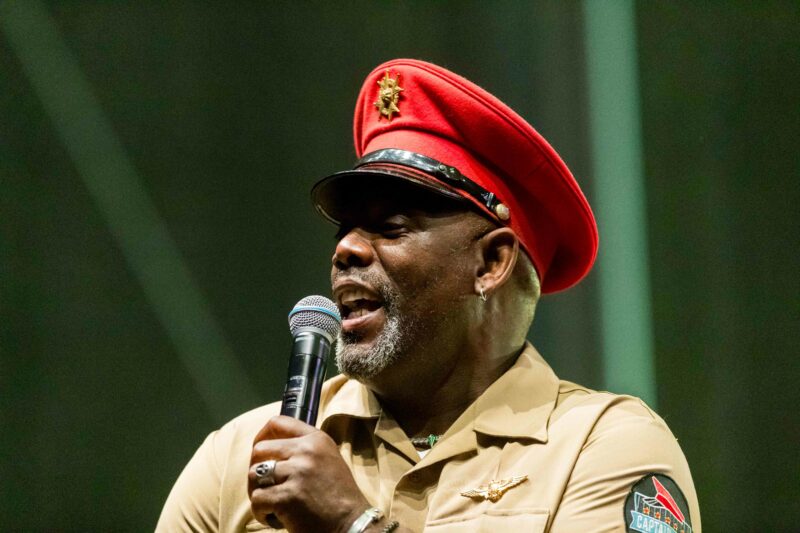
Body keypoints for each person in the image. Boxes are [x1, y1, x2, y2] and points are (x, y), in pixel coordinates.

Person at [157, 59, 701, 533]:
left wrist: (351, 524)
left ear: (491, 263)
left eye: (390, 228)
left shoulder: (602, 449)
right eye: (344, 230)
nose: (345, 249)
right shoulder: (241, 457)